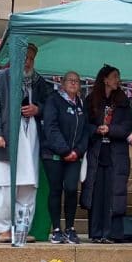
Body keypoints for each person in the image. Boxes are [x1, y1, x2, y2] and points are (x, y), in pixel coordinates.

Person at [0, 43, 50, 242]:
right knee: (5, 186)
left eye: (31, 58)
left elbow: (49, 105)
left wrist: (37, 109)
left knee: (28, 186)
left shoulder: (39, 81)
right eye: (24, 58)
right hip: (6, 139)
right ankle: (5, 229)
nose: (28, 62)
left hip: (31, 137)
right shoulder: (0, 78)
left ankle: (22, 229)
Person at [81, 65, 132, 243]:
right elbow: (84, 124)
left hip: (116, 153)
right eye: (114, 76)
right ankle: (96, 233)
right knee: (96, 193)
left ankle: (112, 233)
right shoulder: (91, 100)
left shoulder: (123, 101)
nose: (117, 80)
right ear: (105, 79)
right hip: (96, 152)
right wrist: (96, 129)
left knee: (114, 192)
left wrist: (110, 129)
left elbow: (127, 127)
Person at [41, 71, 89, 244]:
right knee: (55, 189)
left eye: (77, 81)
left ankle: (70, 228)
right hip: (53, 154)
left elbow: (86, 130)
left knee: (71, 188)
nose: (74, 83)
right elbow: (51, 127)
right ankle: (56, 229)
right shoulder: (53, 100)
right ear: (62, 82)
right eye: (70, 80)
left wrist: (78, 150)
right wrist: (64, 150)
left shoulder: (81, 103)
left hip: (75, 155)